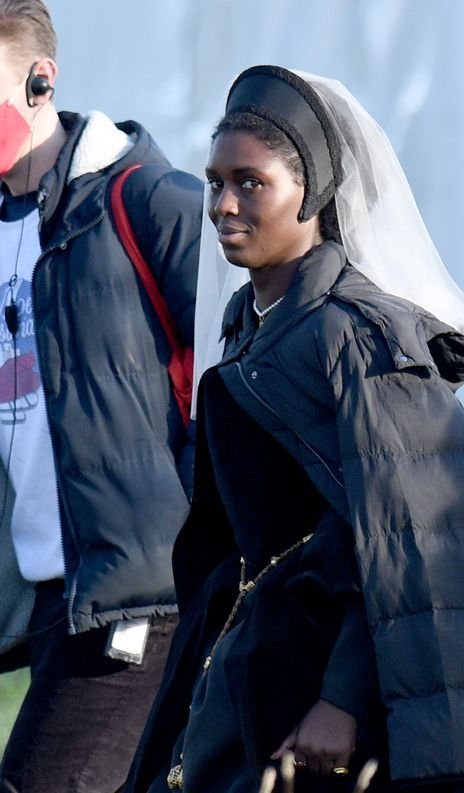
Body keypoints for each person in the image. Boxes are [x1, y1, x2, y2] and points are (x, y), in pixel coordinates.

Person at [125, 65, 464, 793]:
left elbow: (420, 538)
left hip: (355, 675)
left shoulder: (357, 336)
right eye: (215, 182)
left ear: (310, 192)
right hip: (268, 659)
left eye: (251, 183)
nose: (223, 204)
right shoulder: (251, 324)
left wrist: (342, 700)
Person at [0, 1, 203, 791]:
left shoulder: (147, 201)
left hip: (137, 600)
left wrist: (191, 537)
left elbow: (242, 371)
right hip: (50, 594)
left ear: (41, 81)